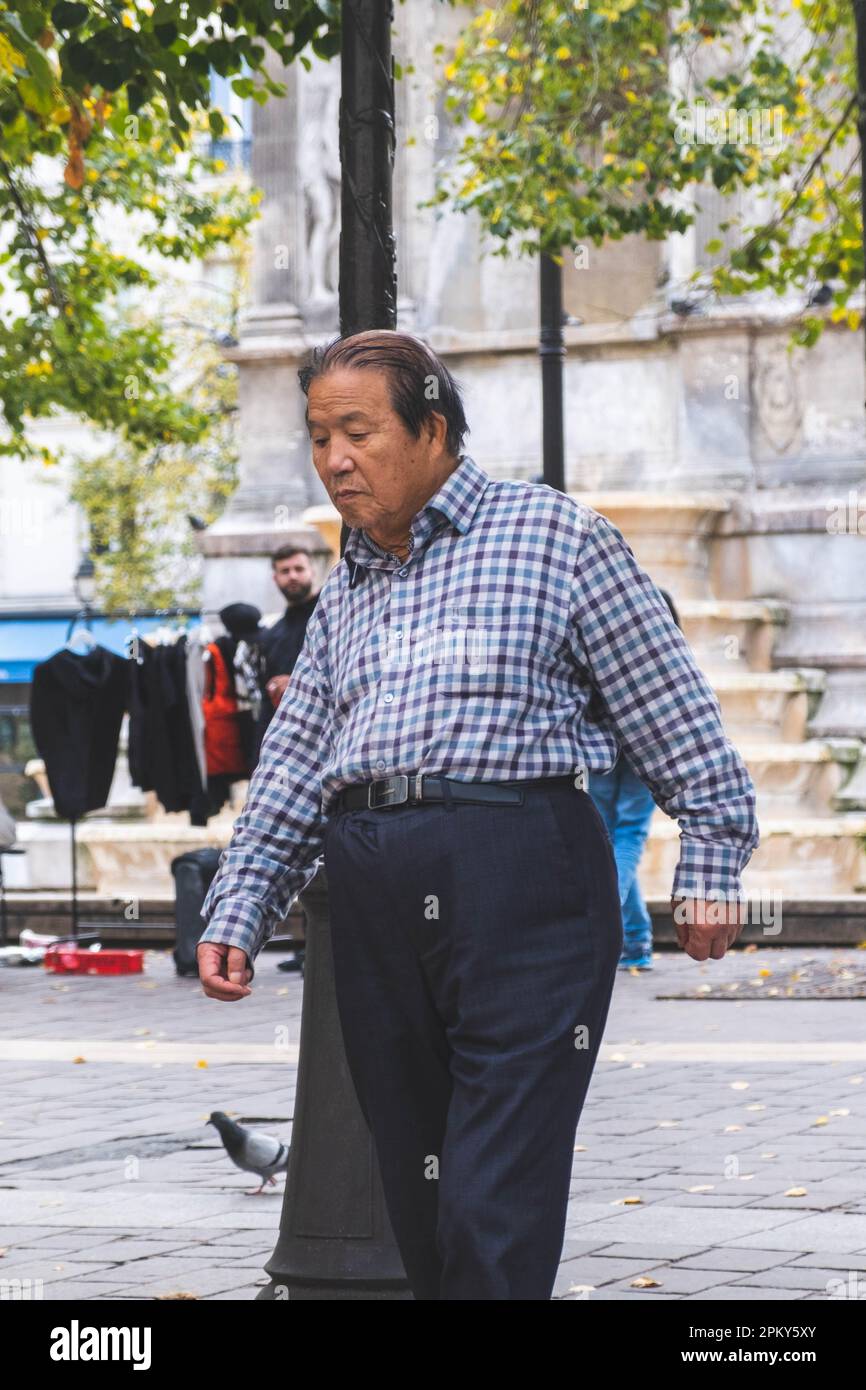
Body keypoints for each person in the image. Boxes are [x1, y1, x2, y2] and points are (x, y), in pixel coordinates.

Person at [196, 329, 759, 1302]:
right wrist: (239, 902)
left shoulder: (556, 539)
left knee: (488, 1198)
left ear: (432, 427)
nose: (333, 459)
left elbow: (669, 712)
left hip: (522, 873)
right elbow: (295, 764)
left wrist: (707, 863)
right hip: (373, 889)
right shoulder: (346, 592)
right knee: (422, 1197)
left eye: (357, 432)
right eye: (319, 436)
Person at [589, 589, 682, 972]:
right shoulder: (665, 635)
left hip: (601, 742)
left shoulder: (604, 628)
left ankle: (620, 931)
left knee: (608, 837)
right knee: (627, 836)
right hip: (647, 743)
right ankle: (635, 940)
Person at [255, 546, 320, 754]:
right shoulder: (271, 635)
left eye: (299, 569)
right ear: (275, 578)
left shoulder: (332, 618)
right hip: (286, 745)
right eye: (285, 571)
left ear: (312, 571)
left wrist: (297, 684)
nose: (292, 576)